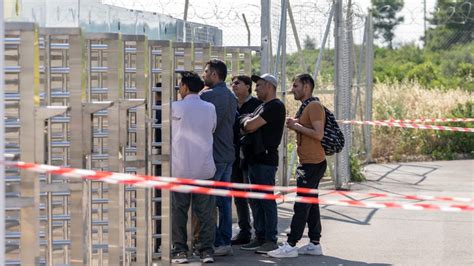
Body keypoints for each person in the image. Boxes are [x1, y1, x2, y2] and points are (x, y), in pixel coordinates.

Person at [268, 73, 326, 258]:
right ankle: (315, 243)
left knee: (301, 205)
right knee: (311, 203)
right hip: (309, 163)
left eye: (296, 86)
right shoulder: (306, 107)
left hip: (313, 164)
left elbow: (318, 134)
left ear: (306, 86)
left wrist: (295, 126)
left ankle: (291, 244)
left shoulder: (314, 106)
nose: (293, 89)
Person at [171, 71, 217, 264]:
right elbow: (212, 128)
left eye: (180, 85)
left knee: (179, 211)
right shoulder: (210, 107)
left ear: (185, 87)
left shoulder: (173, 107)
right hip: (204, 168)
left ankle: (180, 250)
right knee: (205, 212)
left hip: (180, 168)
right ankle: (206, 251)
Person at [240, 73, 286, 254]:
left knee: (266, 201)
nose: (256, 88)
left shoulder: (275, 106)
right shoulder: (263, 106)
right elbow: (246, 122)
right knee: (255, 201)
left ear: (269, 86)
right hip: (254, 159)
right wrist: (246, 122)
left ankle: (270, 239)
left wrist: (246, 123)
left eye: (259, 85)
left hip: (265, 161)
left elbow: (249, 126)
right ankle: (259, 237)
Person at [200, 59, 238, 256]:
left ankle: (214, 241)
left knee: (208, 201)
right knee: (224, 202)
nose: (203, 75)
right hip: (227, 154)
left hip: (215, 155)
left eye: (206, 72)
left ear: (215, 75)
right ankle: (224, 241)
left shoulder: (209, 96)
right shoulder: (230, 95)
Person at [230, 75, 262, 245]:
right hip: (234, 155)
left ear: (248, 86)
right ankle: (244, 231)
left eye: (237, 83)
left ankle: (259, 233)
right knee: (239, 195)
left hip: (251, 155)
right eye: (232, 83)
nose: (233, 85)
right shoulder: (231, 103)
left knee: (253, 196)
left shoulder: (256, 105)